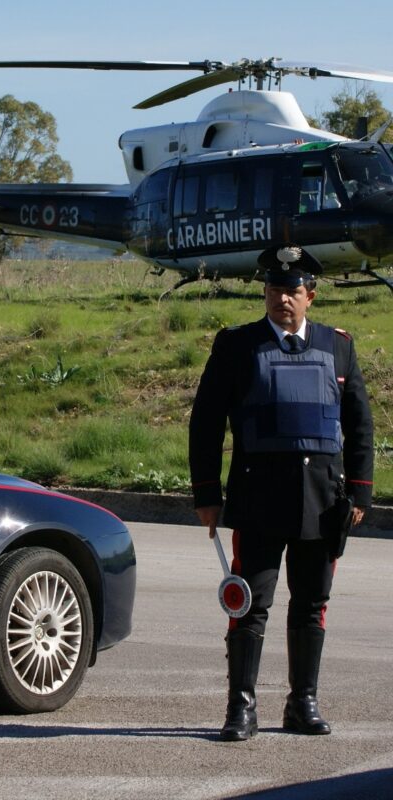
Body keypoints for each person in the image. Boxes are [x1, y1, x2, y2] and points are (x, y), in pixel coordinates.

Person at [189, 265, 374, 742]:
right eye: (274, 291)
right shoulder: (237, 345)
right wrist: (207, 493)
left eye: (292, 291)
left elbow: (359, 425)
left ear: (310, 295)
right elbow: (206, 421)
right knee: (249, 605)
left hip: (322, 499)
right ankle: (241, 708)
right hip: (259, 498)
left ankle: (302, 703)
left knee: (312, 604)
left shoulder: (338, 345)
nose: (282, 300)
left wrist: (359, 491)